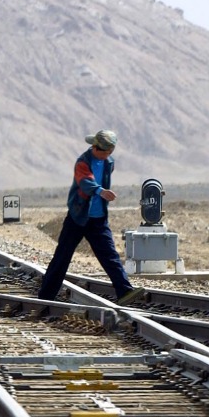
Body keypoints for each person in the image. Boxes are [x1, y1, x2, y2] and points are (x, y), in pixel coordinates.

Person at [38, 129, 145, 306]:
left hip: (98, 219)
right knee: (62, 256)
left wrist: (102, 194)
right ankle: (46, 297)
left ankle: (125, 291)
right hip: (78, 217)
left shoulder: (109, 162)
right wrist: (100, 191)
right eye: (108, 151)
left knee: (110, 256)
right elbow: (85, 181)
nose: (110, 154)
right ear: (98, 149)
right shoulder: (83, 162)